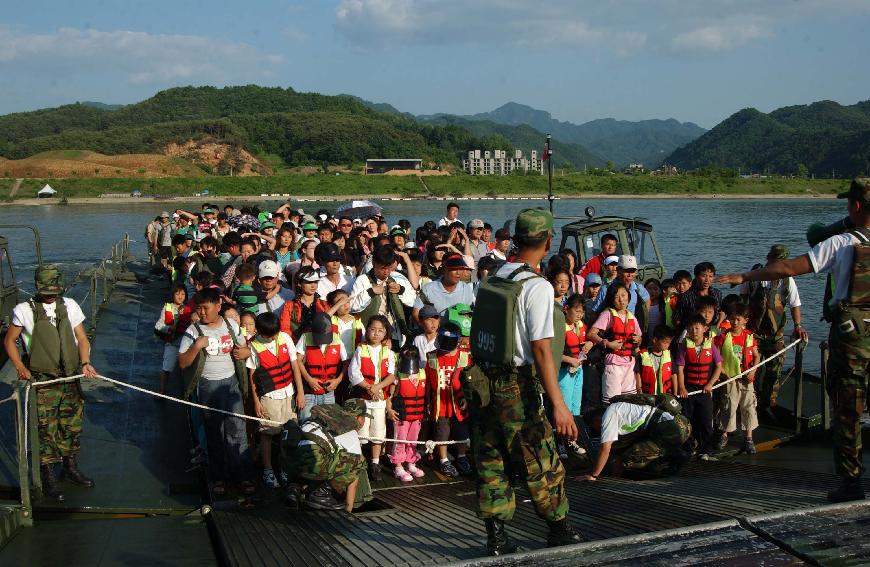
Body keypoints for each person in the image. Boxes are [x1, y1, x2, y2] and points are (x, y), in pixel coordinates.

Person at [716, 177, 868, 502]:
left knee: (847, 413)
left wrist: (745, 276)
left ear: (854, 205)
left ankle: (852, 483)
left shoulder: (840, 243)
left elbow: (786, 268)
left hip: (851, 343)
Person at [470, 208, 582, 555]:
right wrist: (559, 405)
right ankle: (560, 530)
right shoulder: (537, 287)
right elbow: (542, 349)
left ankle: (497, 539)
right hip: (517, 388)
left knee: (491, 459)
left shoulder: (495, 275)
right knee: (540, 457)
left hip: (484, 382)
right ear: (547, 242)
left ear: (516, 239)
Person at [4, 265, 98, 501]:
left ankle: (70, 467)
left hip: (70, 377)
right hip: (43, 380)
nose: (50, 295)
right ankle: (48, 477)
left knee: (71, 424)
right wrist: (21, 367)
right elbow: (10, 341)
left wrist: (85, 362)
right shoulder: (23, 310)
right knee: (45, 429)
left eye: (54, 291)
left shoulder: (70, 306)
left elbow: (82, 338)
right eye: (46, 291)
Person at [178, 287, 254, 496]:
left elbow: (246, 348)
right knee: (214, 433)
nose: (202, 313)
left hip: (231, 384)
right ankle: (218, 477)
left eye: (206, 308)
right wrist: (196, 347)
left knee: (237, 430)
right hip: (208, 386)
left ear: (218, 306)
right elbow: (183, 363)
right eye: (199, 309)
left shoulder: (230, 325)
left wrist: (246, 351)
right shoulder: (193, 331)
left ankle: (242, 476)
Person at [741, 244, 808, 415]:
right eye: (775, 260)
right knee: (749, 368)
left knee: (774, 370)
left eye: (781, 261)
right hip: (753, 332)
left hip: (775, 334)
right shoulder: (755, 276)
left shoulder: (787, 280)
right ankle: (749, 401)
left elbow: (795, 305)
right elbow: (743, 300)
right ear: (768, 259)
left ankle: (768, 404)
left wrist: (798, 325)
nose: (777, 264)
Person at [247, 312, 304, 489]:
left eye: (275, 334)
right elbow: (252, 376)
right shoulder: (254, 346)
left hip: (289, 394)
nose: (273, 338)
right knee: (267, 434)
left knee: (288, 434)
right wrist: (256, 401)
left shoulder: (284, 337)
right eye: (269, 335)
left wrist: (300, 392)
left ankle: (285, 468)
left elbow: (294, 366)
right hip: (269, 397)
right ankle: (268, 470)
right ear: (260, 332)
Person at [282, 399, 371, 513]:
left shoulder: (323, 418)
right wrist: (348, 510)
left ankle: (294, 489)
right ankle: (321, 494)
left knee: (312, 457)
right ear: (359, 418)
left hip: (290, 462)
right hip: (311, 460)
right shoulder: (349, 430)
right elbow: (354, 479)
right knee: (358, 462)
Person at [578, 394, 691, 480]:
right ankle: (669, 456)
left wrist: (593, 475)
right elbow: (619, 450)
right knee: (627, 452)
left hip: (672, 431)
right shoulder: (622, 410)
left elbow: (605, 449)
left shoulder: (609, 414)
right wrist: (615, 477)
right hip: (681, 425)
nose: (598, 431)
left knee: (631, 457)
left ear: (596, 420)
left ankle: (676, 456)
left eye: (594, 428)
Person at [348, 315, 396, 481]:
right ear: (367, 330)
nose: (376, 333)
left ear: (385, 334)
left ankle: (375, 463)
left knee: (378, 432)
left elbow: (391, 376)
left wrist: (377, 387)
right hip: (363, 399)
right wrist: (369, 388)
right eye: (373, 329)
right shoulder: (361, 349)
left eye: (380, 330)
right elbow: (353, 374)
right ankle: (359, 462)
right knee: (361, 431)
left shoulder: (388, 352)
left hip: (380, 400)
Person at [425, 322, 472, 478]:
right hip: (440, 402)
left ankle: (461, 457)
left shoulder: (465, 355)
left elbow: (471, 381)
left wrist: (467, 398)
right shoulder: (432, 356)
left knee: (461, 431)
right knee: (442, 432)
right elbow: (428, 383)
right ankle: (444, 460)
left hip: (459, 401)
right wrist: (428, 402)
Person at [713, 303, 760, 454]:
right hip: (730, 378)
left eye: (738, 319)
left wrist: (753, 370)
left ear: (745, 320)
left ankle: (749, 438)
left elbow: (757, 356)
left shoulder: (749, 336)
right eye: (732, 319)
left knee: (748, 406)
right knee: (728, 405)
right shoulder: (722, 337)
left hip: (747, 378)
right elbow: (718, 359)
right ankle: (724, 434)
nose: (735, 322)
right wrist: (725, 375)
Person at [674, 314, 723, 457]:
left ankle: (706, 449)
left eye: (697, 328)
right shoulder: (684, 347)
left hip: (704, 390)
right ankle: (688, 447)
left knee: (706, 420)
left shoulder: (711, 346)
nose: (694, 331)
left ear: (705, 329)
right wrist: (682, 387)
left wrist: (710, 384)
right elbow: (680, 369)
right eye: (691, 328)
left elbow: (719, 367)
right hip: (689, 390)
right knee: (686, 419)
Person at [350, 246, 417, 348]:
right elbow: (352, 306)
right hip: (371, 335)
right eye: (383, 268)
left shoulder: (397, 278)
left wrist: (401, 290)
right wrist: (370, 292)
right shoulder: (362, 280)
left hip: (394, 333)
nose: (386, 272)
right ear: (373, 264)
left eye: (389, 268)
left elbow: (413, 301)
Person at [588, 282, 642, 403]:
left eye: (623, 295)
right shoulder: (607, 314)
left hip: (629, 363)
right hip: (613, 363)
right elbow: (591, 334)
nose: (621, 300)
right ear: (612, 300)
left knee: (629, 401)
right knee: (612, 402)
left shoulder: (632, 316)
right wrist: (607, 343)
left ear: (628, 297)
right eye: (617, 297)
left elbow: (639, 339)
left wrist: (638, 340)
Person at [295, 312, 349, 422]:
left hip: (328, 394)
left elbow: (346, 362)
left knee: (329, 426)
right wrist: (309, 379)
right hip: (309, 394)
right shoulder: (305, 337)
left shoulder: (337, 339)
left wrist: (337, 381)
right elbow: (297, 360)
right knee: (306, 425)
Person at [387, 347, 427, 482]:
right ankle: (398, 467)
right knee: (400, 440)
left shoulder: (422, 374)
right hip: (401, 416)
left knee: (412, 441)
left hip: (416, 417)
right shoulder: (398, 375)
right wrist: (389, 409)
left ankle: (411, 463)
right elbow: (390, 395)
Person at [414, 253, 475, 322]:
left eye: (460, 269)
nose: (458, 273)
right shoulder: (428, 289)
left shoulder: (466, 289)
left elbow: (470, 313)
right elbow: (416, 314)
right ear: (444, 269)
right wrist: (430, 330)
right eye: (453, 269)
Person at [154, 284, 190, 395]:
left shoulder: (188, 310)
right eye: (177, 293)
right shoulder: (167, 308)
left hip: (186, 345)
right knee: (167, 367)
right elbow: (159, 325)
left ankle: (186, 392)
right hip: (172, 343)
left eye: (183, 294)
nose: (180, 296)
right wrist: (170, 328)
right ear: (172, 295)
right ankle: (162, 389)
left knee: (186, 370)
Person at [675, 262, 722, 331]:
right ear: (696, 276)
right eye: (704, 276)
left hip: (712, 331)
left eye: (710, 276)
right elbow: (677, 319)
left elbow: (719, 313)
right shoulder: (686, 297)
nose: (707, 280)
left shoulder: (717, 294)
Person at [636, 325, 676, 396]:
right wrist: (639, 389)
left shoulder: (669, 356)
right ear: (655, 340)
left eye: (669, 343)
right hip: (648, 395)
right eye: (664, 342)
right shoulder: (643, 355)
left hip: (665, 396)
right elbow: (638, 373)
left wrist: (675, 392)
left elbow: (673, 374)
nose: (667, 345)